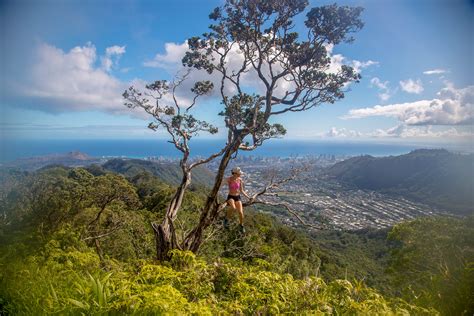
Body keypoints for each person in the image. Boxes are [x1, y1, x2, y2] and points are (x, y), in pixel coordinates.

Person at [223, 167, 250, 233]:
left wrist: (248, 197)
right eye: (239, 173)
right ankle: (226, 219)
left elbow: (242, 190)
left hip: (238, 197)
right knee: (233, 207)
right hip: (230, 197)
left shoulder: (240, 180)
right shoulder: (229, 179)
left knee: (241, 212)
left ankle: (241, 225)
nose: (240, 175)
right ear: (235, 173)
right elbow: (221, 184)